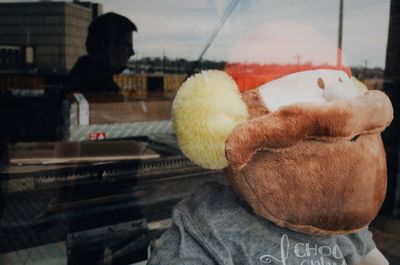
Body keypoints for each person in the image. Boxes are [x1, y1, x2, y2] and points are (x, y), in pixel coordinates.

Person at [65, 12, 137, 92]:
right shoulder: (100, 86)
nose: (132, 52)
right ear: (108, 46)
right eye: (127, 46)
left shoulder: (81, 75)